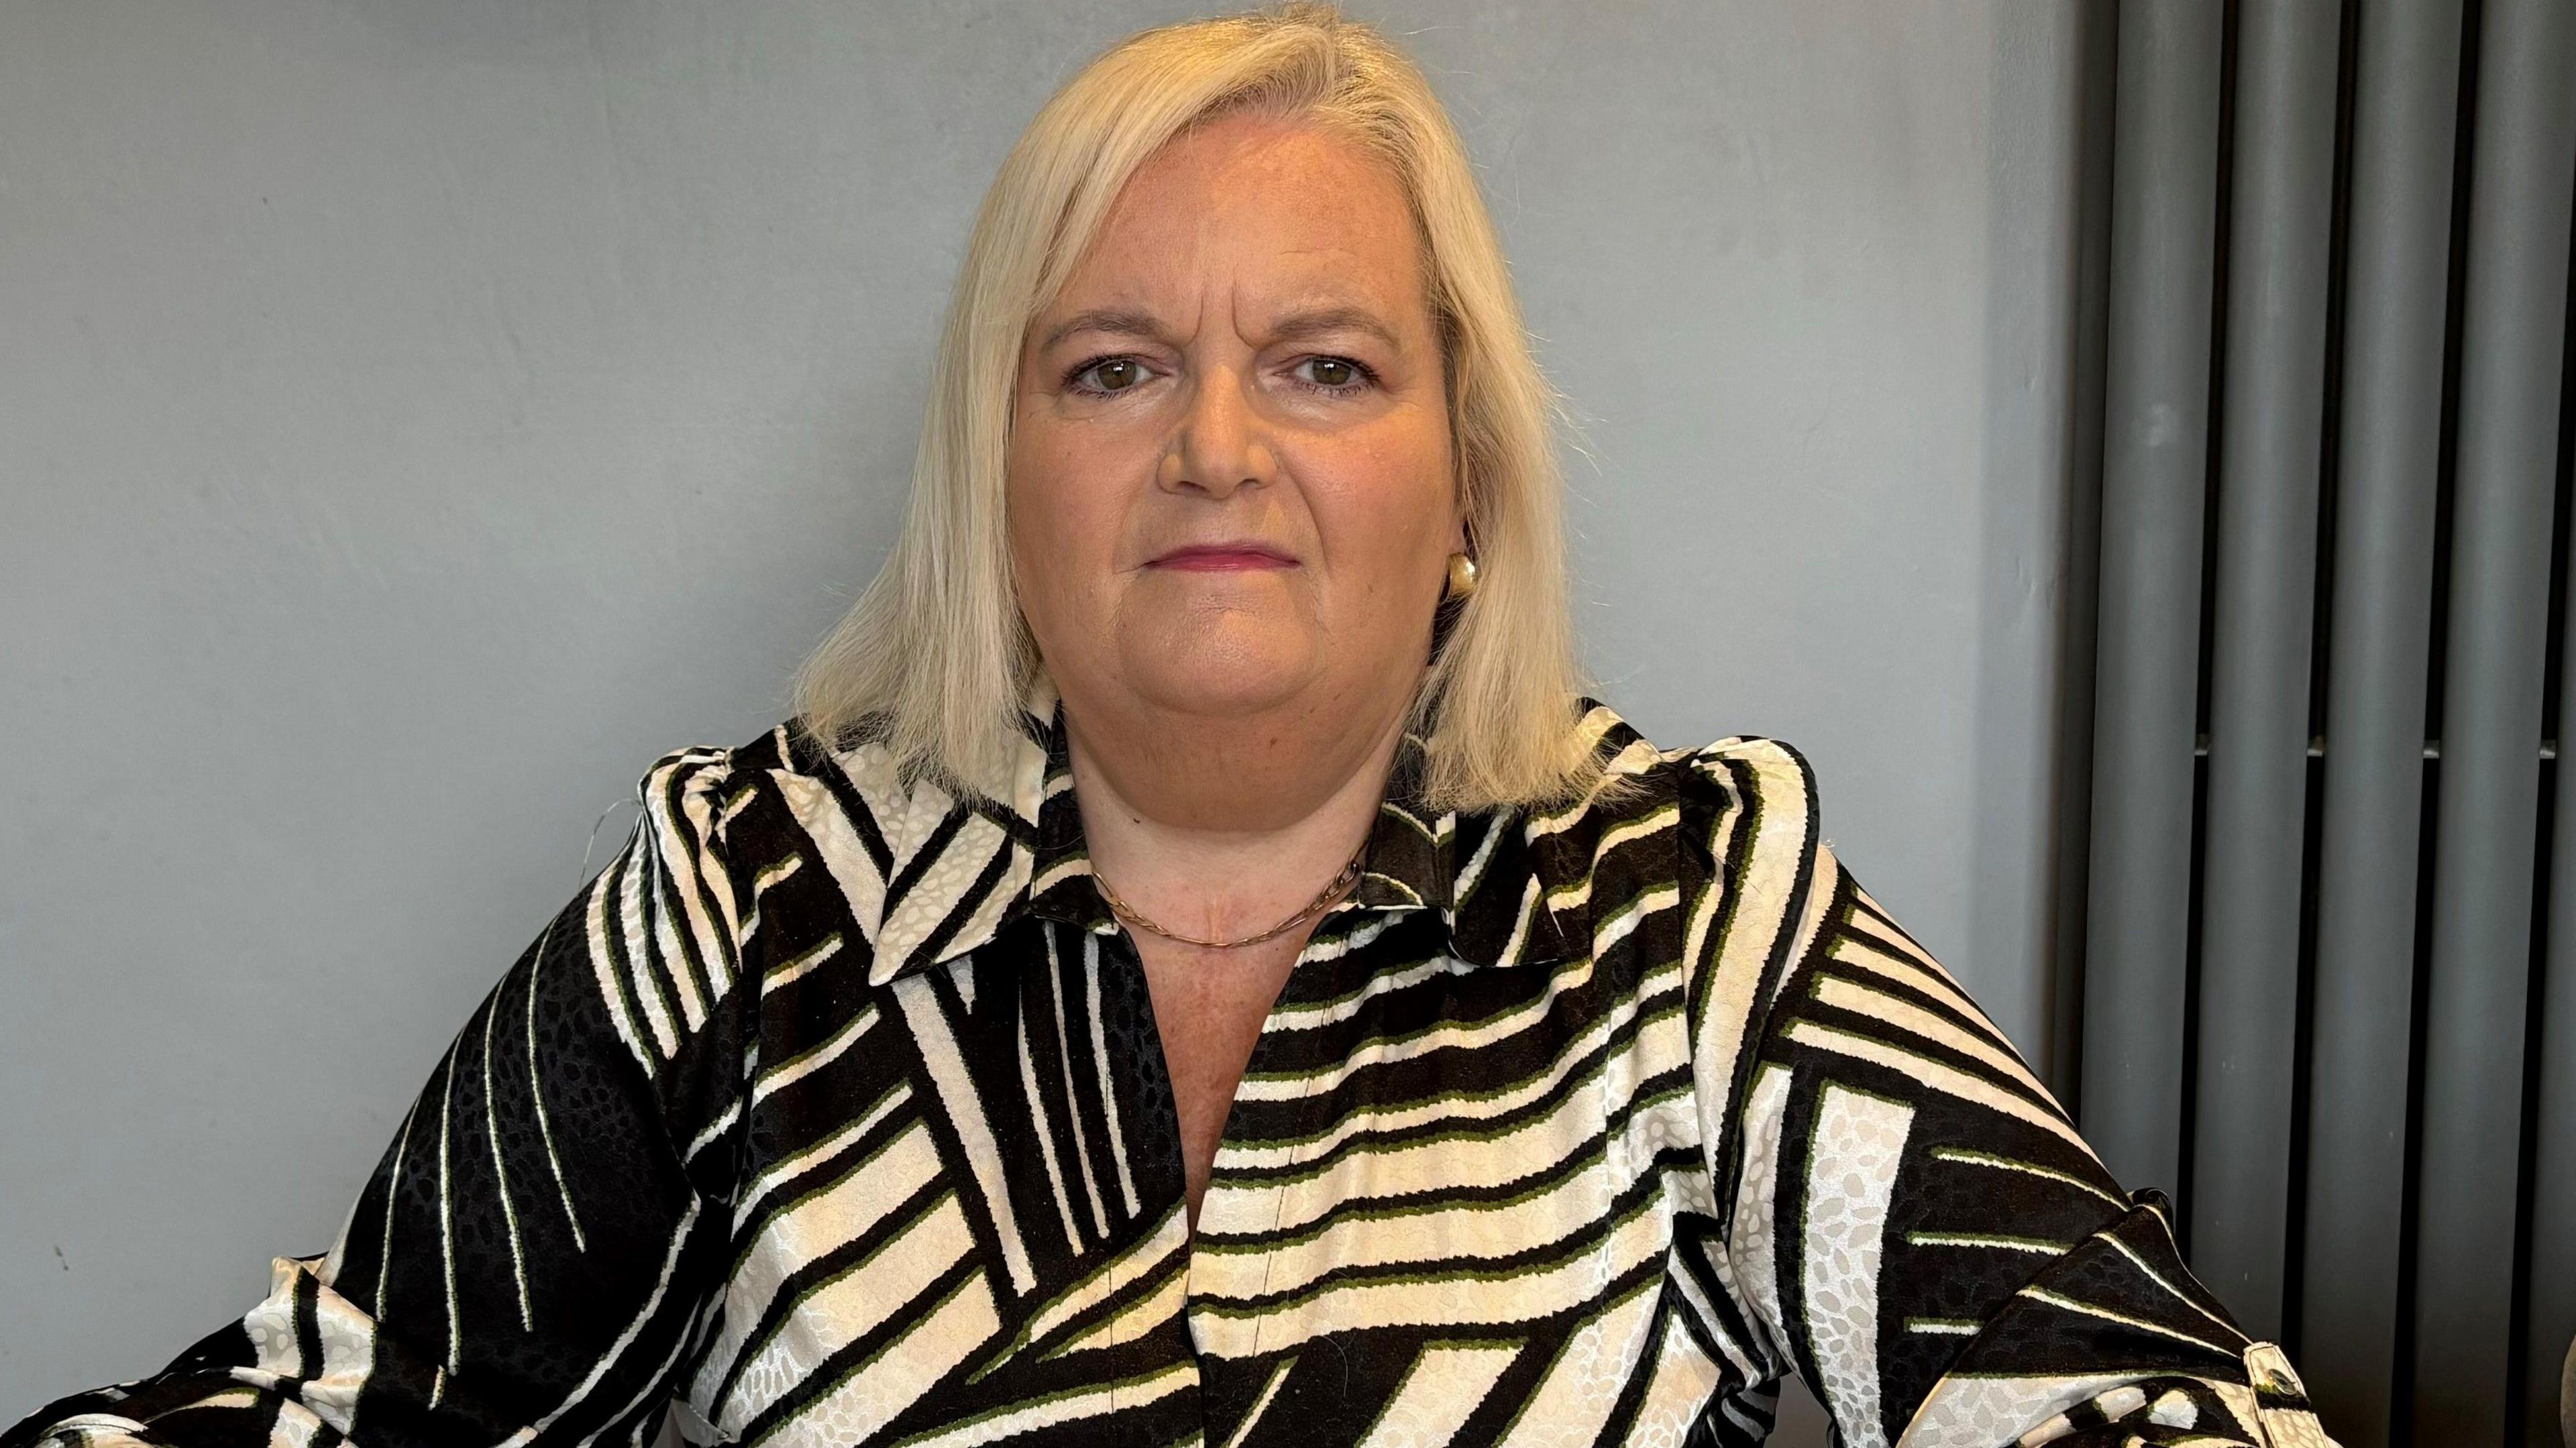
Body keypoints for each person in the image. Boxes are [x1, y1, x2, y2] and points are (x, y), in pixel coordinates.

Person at [3, 6, 2342, 1447]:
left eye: (1323, 365)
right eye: (1113, 367)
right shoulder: (749, 903)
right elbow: (341, 1411)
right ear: (1000, 487)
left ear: (1465, 491)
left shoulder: (1676, 904)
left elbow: (2154, 1411)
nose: (1215, 444)